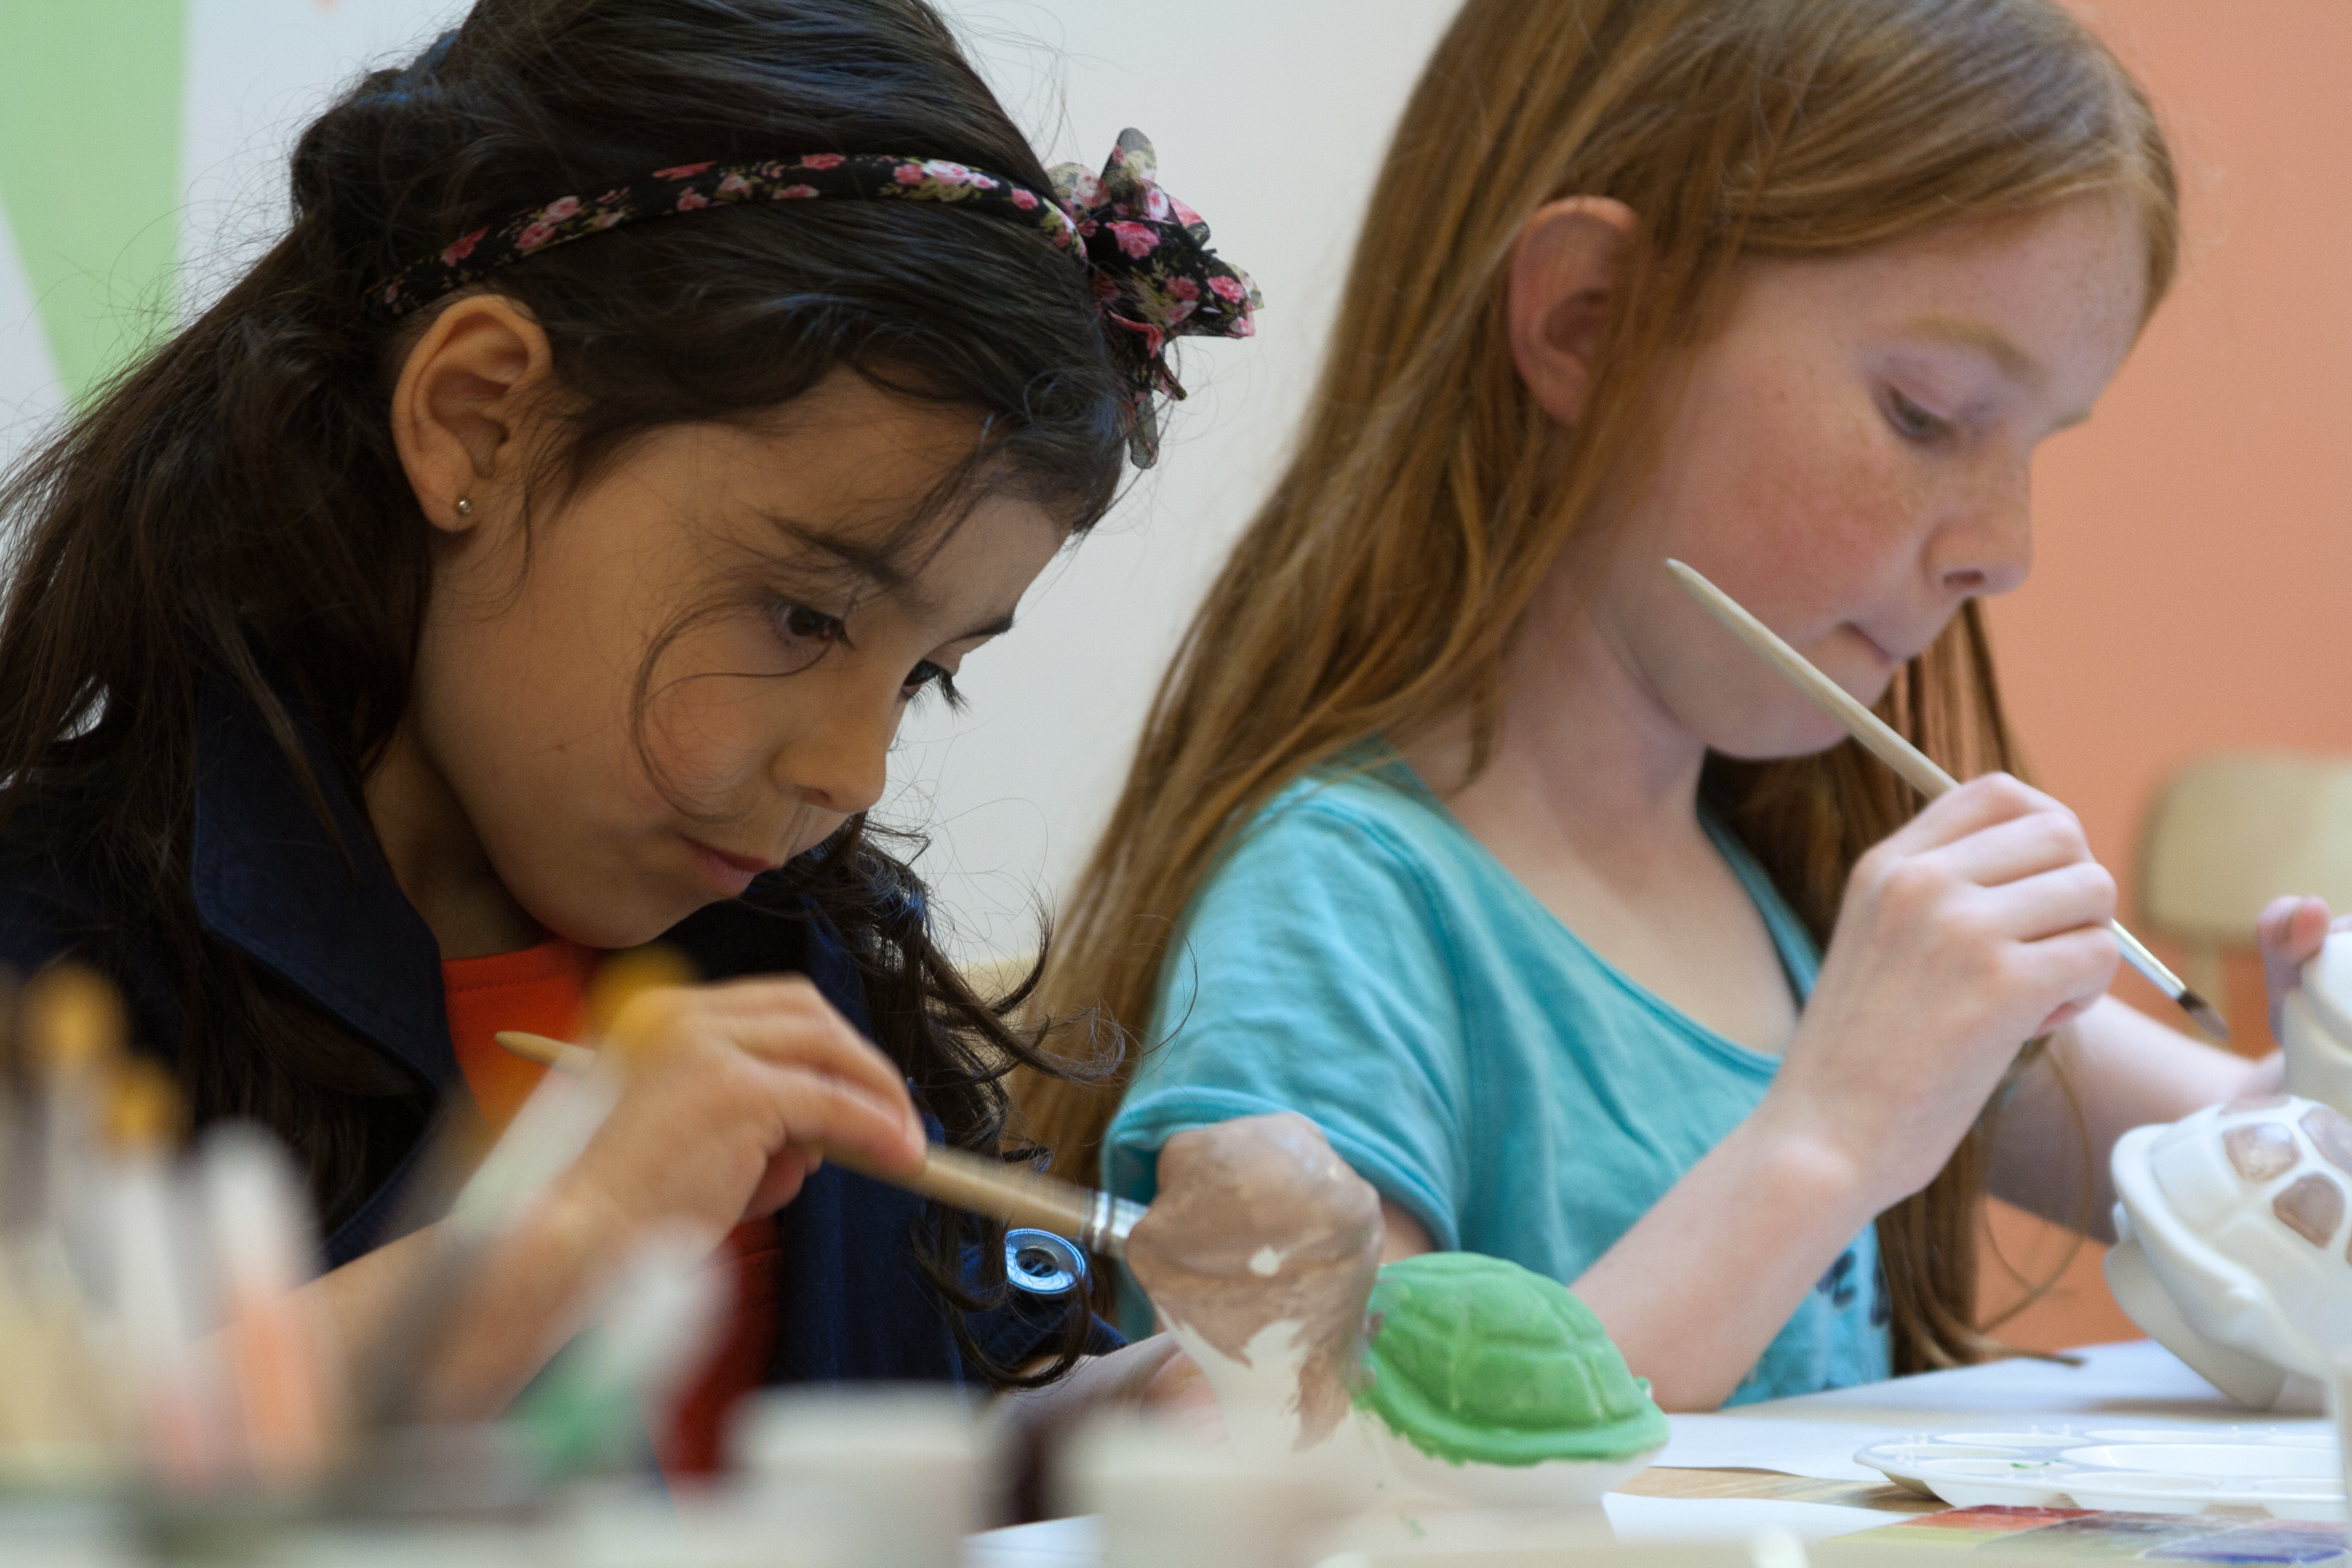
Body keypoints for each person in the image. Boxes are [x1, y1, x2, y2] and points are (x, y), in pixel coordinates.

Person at [0, 0, 1253, 1450]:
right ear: (480, 420)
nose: (851, 773)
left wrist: (1172, 1401)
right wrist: (561, 1236)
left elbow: (933, 1448)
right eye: (803, 616)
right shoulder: (60, 977)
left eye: (926, 675)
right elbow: (57, 1478)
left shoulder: (798, 957)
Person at [1029, 0, 2303, 1410]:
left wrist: (2322, 1073)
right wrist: (1824, 1141)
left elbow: (2260, 1172)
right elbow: (1297, 1453)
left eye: (2035, 446)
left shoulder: (1800, 898)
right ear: (1590, 322)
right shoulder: (1343, 912)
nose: (2006, 549)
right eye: (1928, 412)